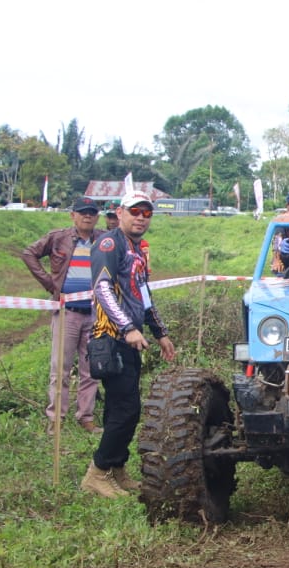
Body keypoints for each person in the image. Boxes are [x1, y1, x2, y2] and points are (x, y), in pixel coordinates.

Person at [81, 191, 176, 498]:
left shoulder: (136, 250)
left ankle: (116, 469)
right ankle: (97, 472)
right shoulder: (109, 244)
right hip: (110, 338)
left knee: (120, 409)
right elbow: (102, 289)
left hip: (130, 341)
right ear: (120, 212)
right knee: (127, 409)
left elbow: (143, 294)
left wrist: (159, 331)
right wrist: (127, 328)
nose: (140, 217)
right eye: (135, 211)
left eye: (146, 213)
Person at [21, 196, 104, 434]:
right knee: (61, 368)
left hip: (95, 311)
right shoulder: (59, 238)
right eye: (82, 212)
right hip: (67, 311)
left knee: (91, 368)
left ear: (96, 216)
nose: (87, 216)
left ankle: (86, 417)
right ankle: (56, 418)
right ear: (73, 215)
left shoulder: (103, 240)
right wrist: (50, 283)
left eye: (91, 212)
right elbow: (29, 254)